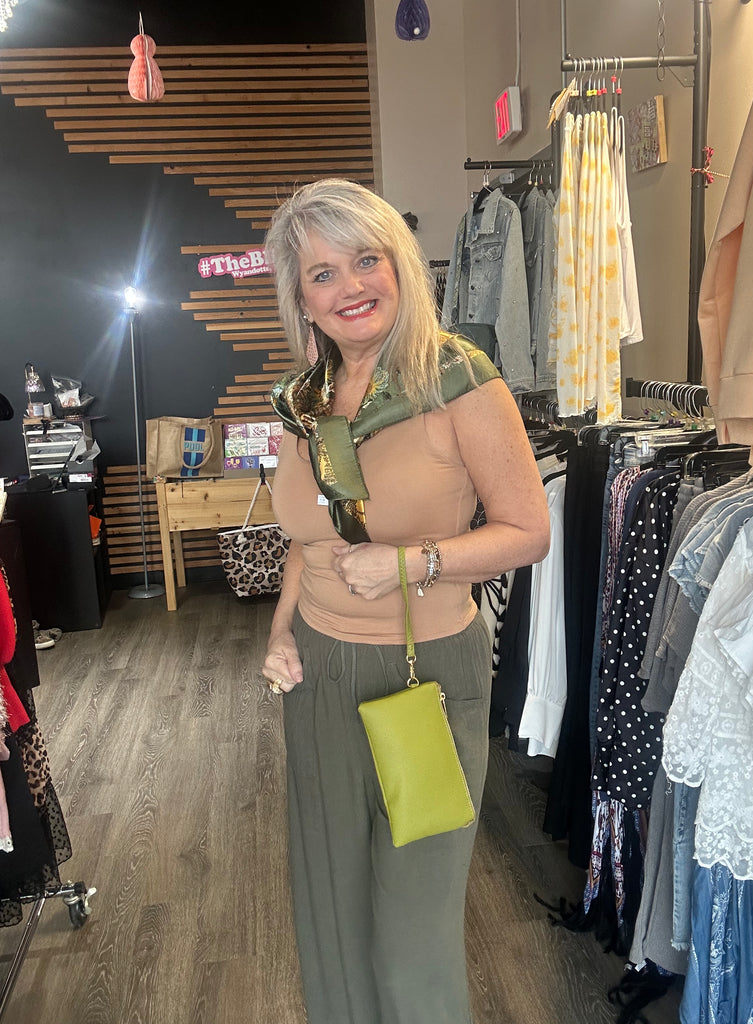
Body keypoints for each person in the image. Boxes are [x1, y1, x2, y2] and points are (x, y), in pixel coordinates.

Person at [261, 178, 550, 1024]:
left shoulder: (456, 380)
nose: (350, 287)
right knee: (331, 910)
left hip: (426, 676)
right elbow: (305, 541)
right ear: (302, 298)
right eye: (323, 274)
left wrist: (411, 563)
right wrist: (280, 634)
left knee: (412, 932)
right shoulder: (303, 402)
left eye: (366, 260)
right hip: (316, 673)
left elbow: (529, 533)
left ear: (398, 266)